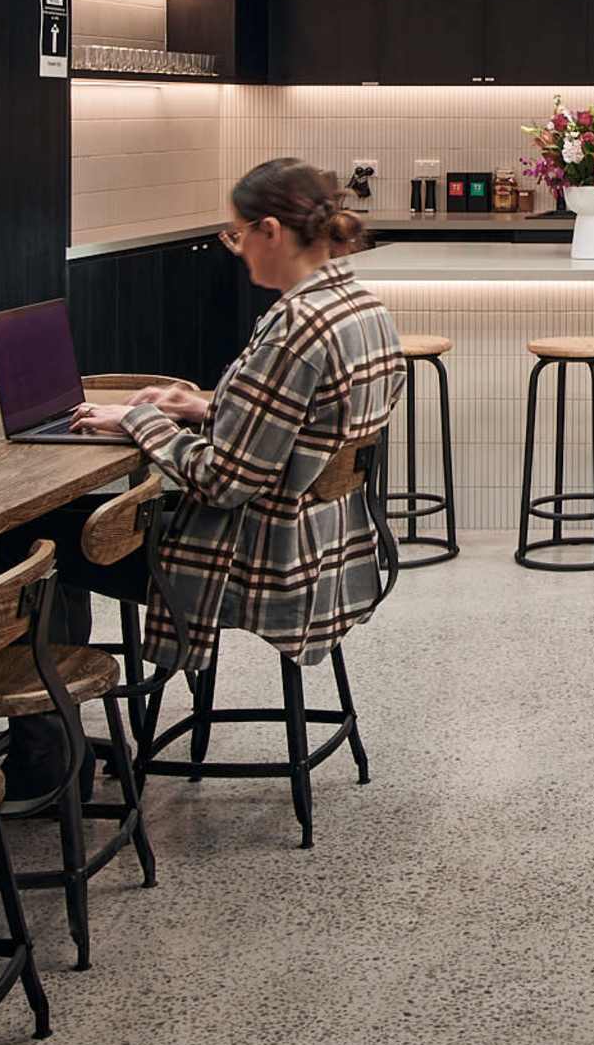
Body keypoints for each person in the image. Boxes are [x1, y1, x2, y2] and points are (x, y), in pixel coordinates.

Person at [73, 157, 407, 675]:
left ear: (270, 231)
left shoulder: (295, 327)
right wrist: (204, 407)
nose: (238, 248)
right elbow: (308, 425)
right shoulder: (362, 307)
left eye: (238, 233)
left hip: (258, 558)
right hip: (331, 546)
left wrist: (136, 422)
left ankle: (44, 742)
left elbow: (224, 482)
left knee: (40, 541)